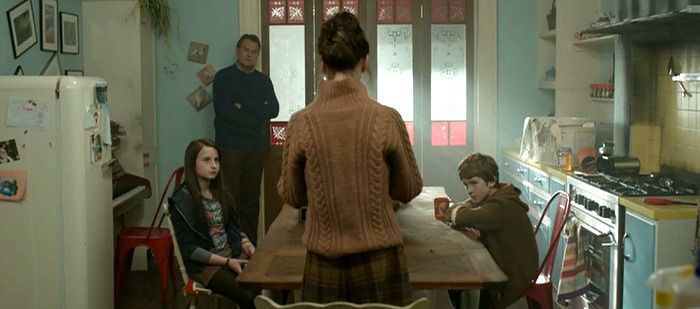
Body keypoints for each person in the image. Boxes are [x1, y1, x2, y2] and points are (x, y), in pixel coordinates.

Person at [276, 11, 423, 305]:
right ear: (365, 61)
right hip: (380, 259)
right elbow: (408, 190)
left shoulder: (301, 122)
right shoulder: (386, 118)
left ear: (322, 63)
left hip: (323, 262)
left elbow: (293, 196)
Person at [168, 138, 258, 309]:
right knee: (247, 295)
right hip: (207, 265)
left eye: (216, 160)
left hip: (233, 254)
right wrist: (226, 262)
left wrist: (248, 247)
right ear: (192, 163)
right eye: (207, 160)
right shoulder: (182, 202)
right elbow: (190, 250)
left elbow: (236, 229)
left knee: (267, 282)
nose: (214, 165)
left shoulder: (223, 194)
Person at [442, 153, 538, 309]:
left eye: (474, 183)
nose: (469, 190)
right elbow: (459, 210)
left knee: (458, 274)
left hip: (514, 277)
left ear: (492, 181)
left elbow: (458, 215)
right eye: (465, 185)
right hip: (506, 264)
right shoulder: (495, 195)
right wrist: (462, 214)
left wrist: (462, 214)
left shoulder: (501, 206)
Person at [213, 33, 279, 245]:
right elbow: (224, 112)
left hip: (255, 149)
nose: (249, 55)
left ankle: (251, 247)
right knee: (230, 199)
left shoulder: (263, 80)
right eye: (246, 50)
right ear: (237, 50)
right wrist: (256, 115)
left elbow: (274, 110)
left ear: (257, 55)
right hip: (230, 148)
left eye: (253, 52)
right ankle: (232, 247)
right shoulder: (223, 77)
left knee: (251, 201)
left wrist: (245, 106)